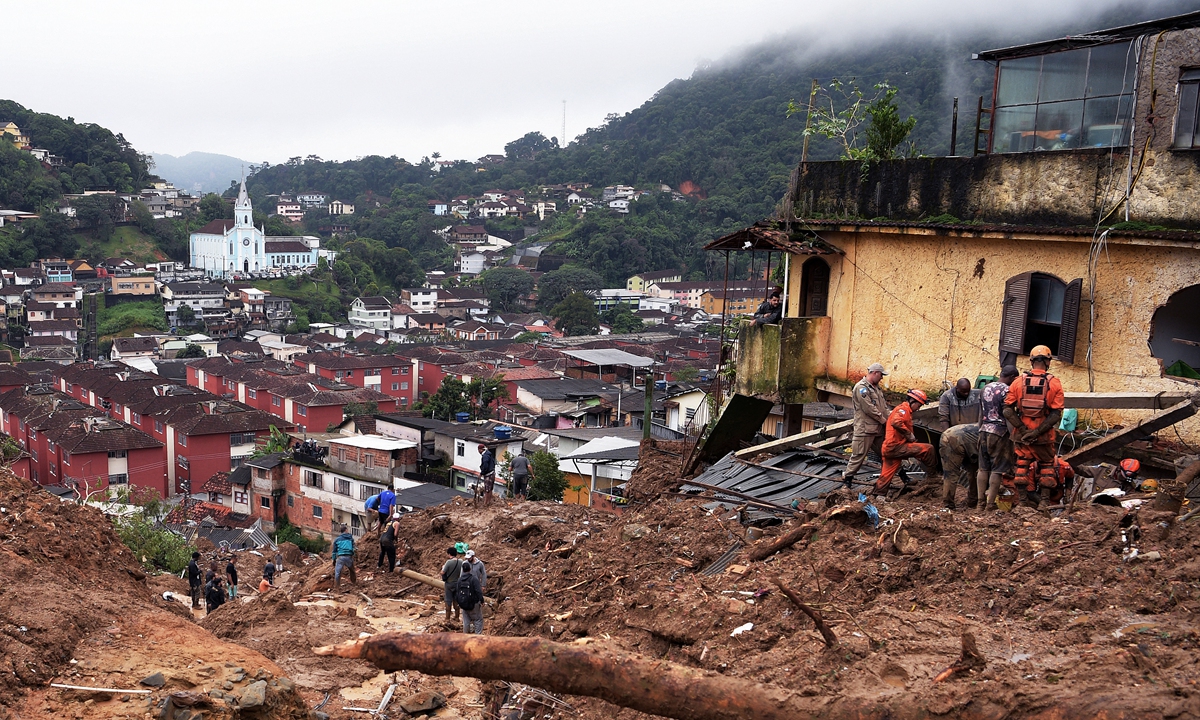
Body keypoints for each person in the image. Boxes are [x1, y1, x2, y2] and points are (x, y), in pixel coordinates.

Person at [1002, 346, 1065, 505]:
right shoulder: (1055, 383)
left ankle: (1022, 503)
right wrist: (1036, 432)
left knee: (1021, 468)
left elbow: (1007, 411)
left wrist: (1024, 430)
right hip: (1044, 437)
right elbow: (1056, 414)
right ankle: (1044, 504)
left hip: (1022, 436)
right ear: (1048, 362)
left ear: (1031, 361)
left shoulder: (1018, 382)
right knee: (1047, 469)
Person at [875, 389, 937, 494]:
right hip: (896, 447)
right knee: (928, 449)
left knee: (885, 476)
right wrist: (909, 435)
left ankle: (877, 494)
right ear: (913, 401)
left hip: (890, 449)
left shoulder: (904, 410)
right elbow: (896, 422)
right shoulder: (903, 409)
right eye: (919, 405)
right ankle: (933, 478)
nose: (918, 408)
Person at [842, 363, 891, 489]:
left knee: (887, 452)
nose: (881, 378)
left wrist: (890, 418)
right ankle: (847, 481)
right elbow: (868, 408)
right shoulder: (861, 388)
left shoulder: (877, 389)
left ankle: (902, 476)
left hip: (877, 429)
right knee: (858, 456)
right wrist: (883, 420)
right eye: (881, 375)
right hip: (865, 429)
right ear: (875, 373)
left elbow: (883, 407)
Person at [977, 366, 1019, 510]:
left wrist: (979, 429)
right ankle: (989, 505)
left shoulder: (985, 388)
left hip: (983, 431)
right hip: (999, 433)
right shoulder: (1007, 391)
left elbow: (981, 412)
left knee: (982, 469)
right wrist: (1013, 436)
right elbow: (1008, 415)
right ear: (1012, 377)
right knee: (997, 470)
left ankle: (980, 503)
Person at [939, 422, 980, 510]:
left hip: (954, 436)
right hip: (953, 439)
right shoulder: (1000, 435)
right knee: (951, 474)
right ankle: (948, 505)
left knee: (973, 470)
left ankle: (973, 500)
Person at [460, 549, 487, 634]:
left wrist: (483, 584)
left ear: (473, 556)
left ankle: (474, 635)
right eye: (467, 557)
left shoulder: (480, 564)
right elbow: (461, 575)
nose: (468, 559)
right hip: (466, 589)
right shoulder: (465, 564)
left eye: (469, 557)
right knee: (473, 618)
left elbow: (484, 574)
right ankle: (470, 635)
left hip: (476, 587)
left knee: (473, 615)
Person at [441, 545, 466, 623]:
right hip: (458, 584)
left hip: (449, 584)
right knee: (456, 599)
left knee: (448, 600)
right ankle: (457, 617)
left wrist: (442, 568)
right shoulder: (461, 562)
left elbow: (443, 572)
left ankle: (447, 618)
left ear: (449, 554)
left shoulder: (448, 562)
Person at [332, 524, 357, 591]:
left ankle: (337, 587)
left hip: (340, 557)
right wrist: (355, 555)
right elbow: (354, 548)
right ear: (346, 530)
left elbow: (334, 551)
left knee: (337, 572)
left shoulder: (337, 540)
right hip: (349, 557)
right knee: (352, 571)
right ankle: (354, 583)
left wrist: (334, 560)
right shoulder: (350, 538)